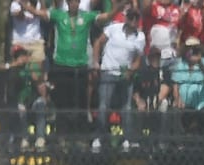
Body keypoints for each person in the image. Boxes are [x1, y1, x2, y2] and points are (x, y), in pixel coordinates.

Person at [92, 8, 145, 152]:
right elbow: (98, 43)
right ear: (126, 18)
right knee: (104, 105)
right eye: (131, 18)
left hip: (125, 74)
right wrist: (96, 62)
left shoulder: (140, 37)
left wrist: (131, 71)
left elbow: (137, 60)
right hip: (108, 71)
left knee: (126, 107)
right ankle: (100, 137)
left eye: (136, 18)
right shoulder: (113, 28)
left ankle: (127, 138)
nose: (133, 21)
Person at [48, 0, 100, 136]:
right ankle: (62, 137)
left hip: (80, 64)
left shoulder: (86, 15)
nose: (74, 4)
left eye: (76, 1)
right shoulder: (59, 15)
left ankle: (80, 137)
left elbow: (104, 17)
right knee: (63, 102)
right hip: (62, 64)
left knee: (80, 101)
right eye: (71, 2)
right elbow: (40, 13)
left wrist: (118, 8)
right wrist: (25, 5)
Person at [171, 36, 204, 137]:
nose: (192, 51)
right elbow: (176, 84)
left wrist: (199, 62)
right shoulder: (180, 64)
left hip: (203, 104)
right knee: (174, 113)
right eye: (190, 48)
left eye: (195, 48)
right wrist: (177, 99)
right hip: (184, 105)